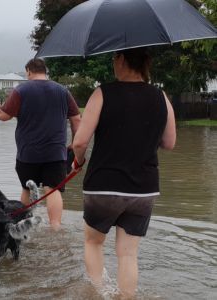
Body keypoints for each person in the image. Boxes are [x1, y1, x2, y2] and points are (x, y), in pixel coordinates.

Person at [72, 47, 176, 298]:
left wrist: (78, 161)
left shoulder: (102, 93)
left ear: (121, 60)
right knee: (128, 254)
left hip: (104, 184)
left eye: (113, 58)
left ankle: (98, 293)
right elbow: (170, 143)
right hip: (144, 189)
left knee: (93, 242)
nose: (112, 63)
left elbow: (79, 141)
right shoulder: (161, 97)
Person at [0, 58, 81, 230]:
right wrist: (74, 143)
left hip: (28, 153)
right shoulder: (62, 91)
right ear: (45, 71)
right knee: (53, 190)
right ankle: (56, 228)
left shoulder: (21, 90)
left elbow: (3, 115)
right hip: (56, 152)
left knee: (27, 188)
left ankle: (22, 225)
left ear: (29, 71)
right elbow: (76, 119)